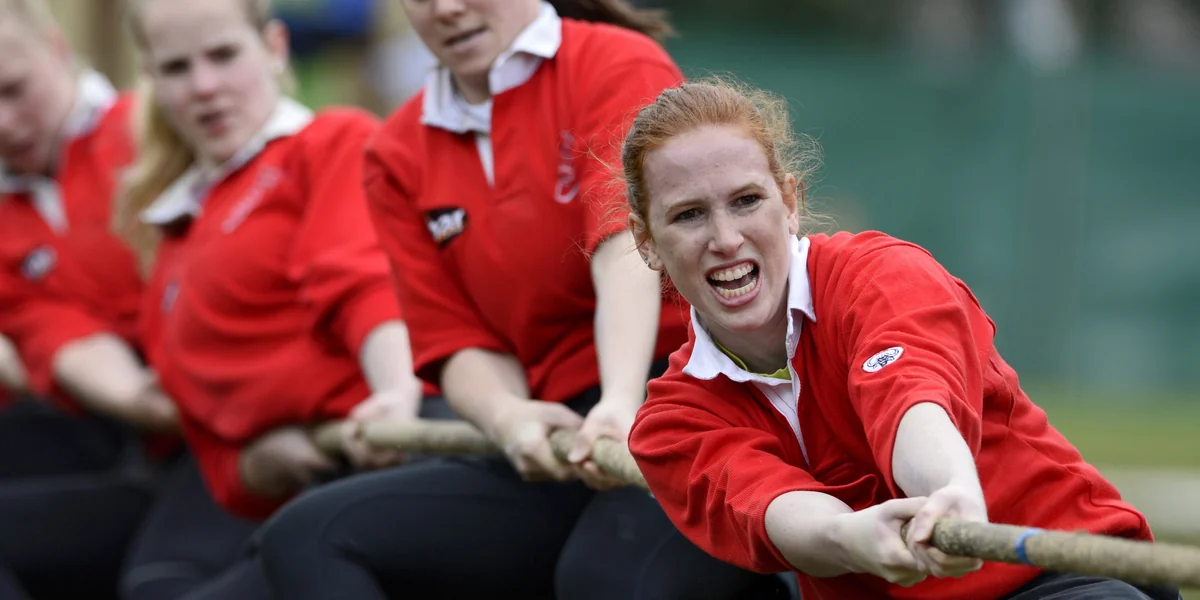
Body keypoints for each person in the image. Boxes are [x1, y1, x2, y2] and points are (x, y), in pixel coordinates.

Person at [258, 1, 791, 599]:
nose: (447, 8)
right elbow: (456, 340)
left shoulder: (613, 62)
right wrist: (510, 419)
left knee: (605, 580)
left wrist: (620, 400)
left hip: (692, 401)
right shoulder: (396, 151)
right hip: (561, 432)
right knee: (307, 536)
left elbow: (626, 244)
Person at [620, 77, 1183, 600]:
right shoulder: (671, 425)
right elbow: (779, 513)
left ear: (789, 203)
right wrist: (849, 537)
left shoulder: (881, 276)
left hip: (1059, 578)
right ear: (646, 242)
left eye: (747, 201)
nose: (725, 238)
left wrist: (950, 491)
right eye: (689, 215)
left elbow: (911, 401)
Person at [112, 0, 429, 598]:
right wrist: (260, 463)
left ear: (275, 47)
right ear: (153, 81)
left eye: (224, 55)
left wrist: (395, 393)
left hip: (402, 439)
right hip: (308, 479)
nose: (205, 86)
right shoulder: (174, 232)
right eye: (178, 68)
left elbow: (364, 285)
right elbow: (214, 447)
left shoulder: (328, 142)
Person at [0, 1, 175, 597]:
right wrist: (140, 397)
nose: (4, 122)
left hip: (221, 434)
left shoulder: (155, 136)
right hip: (126, 433)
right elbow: (58, 335)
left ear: (56, 48)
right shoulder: (9, 215)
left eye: (14, 90)